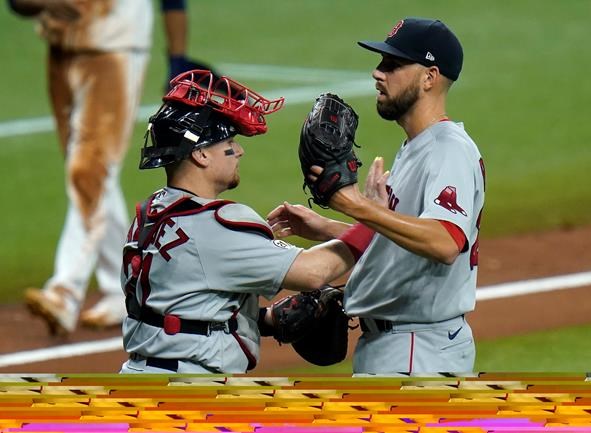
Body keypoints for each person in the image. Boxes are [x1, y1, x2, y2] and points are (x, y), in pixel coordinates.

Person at [119, 70, 385, 374]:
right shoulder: (217, 225)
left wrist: (265, 320)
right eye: (229, 141)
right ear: (202, 154)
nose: (240, 150)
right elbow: (316, 272)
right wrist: (372, 216)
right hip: (189, 397)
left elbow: (181, 301)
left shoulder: (151, 213)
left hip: (142, 380)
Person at [267, 18, 486, 374]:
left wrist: (356, 204)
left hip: (416, 351)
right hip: (401, 348)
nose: (377, 73)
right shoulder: (418, 148)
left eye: (393, 65)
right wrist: (327, 227)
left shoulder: (448, 150)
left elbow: (445, 241)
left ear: (429, 77)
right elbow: (404, 246)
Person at [8, 0, 212, 335]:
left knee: (89, 170)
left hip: (115, 45)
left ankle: (65, 292)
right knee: (93, 176)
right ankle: (125, 290)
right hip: (62, 43)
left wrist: (177, 57)